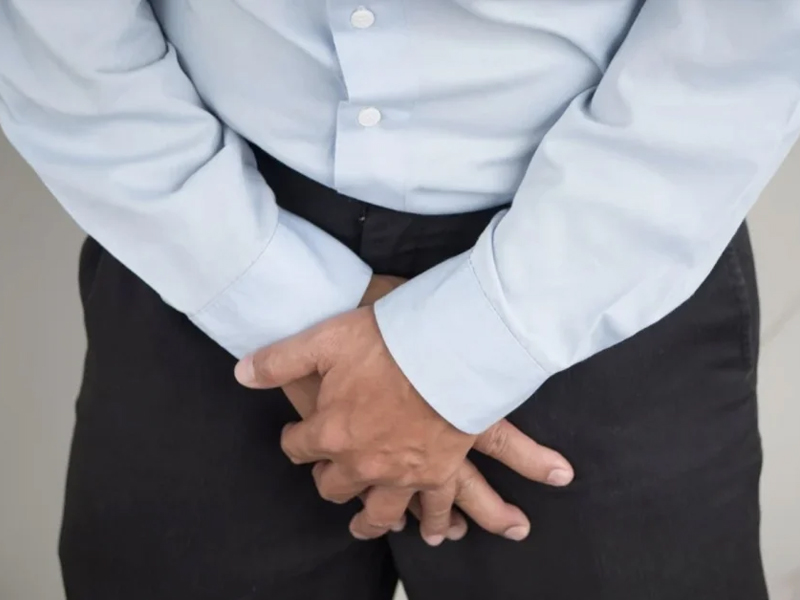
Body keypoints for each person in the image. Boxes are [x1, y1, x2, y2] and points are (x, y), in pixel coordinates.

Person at [0, 1, 794, 598]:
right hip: (197, 222)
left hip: (606, 238)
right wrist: (269, 295)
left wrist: (470, 345)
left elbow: (746, 40)